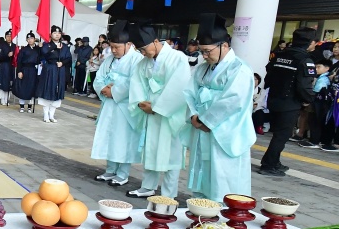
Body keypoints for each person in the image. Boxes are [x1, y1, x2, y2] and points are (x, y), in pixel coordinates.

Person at [182, 14, 256, 200]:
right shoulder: (202, 68)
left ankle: (223, 217)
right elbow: (189, 93)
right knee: (202, 172)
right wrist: (194, 115)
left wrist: (207, 121)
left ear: (224, 45)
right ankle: (200, 209)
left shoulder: (239, 69)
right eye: (202, 51)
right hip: (202, 126)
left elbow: (233, 101)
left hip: (225, 131)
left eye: (207, 51)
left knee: (223, 177)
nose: (204, 56)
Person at [125, 22, 191, 198]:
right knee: (151, 148)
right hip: (149, 111)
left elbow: (180, 87)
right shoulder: (143, 62)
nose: (143, 53)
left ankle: (169, 193)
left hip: (170, 114)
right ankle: (148, 186)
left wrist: (157, 107)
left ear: (155, 41)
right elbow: (137, 83)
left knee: (172, 153)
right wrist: (140, 103)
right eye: (140, 50)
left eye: (144, 49)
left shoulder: (178, 58)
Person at [90, 22, 143, 188]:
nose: (113, 51)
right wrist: (103, 88)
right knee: (109, 136)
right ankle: (110, 169)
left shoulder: (137, 60)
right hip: (109, 105)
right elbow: (99, 77)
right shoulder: (110, 60)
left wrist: (115, 91)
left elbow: (135, 83)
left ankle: (122, 173)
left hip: (125, 107)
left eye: (116, 47)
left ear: (128, 45)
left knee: (124, 139)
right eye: (111, 47)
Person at [259, 27, 317, 176]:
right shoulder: (305, 60)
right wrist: (308, 100)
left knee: (277, 133)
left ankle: (274, 161)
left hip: (273, 100)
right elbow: (304, 86)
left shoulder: (279, 55)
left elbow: (268, 77)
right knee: (282, 135)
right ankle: (268, 165)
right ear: (310, 43)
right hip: (290, 103)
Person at [37, 26, 73, 123]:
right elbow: (43, 53)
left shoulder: (65, 46)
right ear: (51, 34)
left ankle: (52, 115)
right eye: (55, 33)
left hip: (60, 70)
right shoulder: (47, 45)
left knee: (57, 91)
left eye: (59, 33)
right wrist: (54, 47)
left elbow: (69, 58)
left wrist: (63, 63)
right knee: (48, 90)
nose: (57, 35)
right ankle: (45, 114)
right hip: (49, 69)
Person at [306, 59, 337, 151]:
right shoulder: (323, 77)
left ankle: (314, 141)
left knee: (315, 120)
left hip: (320, 102)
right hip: (321, 102)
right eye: (315, 67)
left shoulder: (324, 79)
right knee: (314, 120)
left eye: (318, 67)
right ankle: (314, 140)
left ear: (327, 68)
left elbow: (317, 90)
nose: (316, 69)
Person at [13, 32, 40, 113]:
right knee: (23, 88)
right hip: (24, 69)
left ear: (34, 39)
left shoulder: (38, 49)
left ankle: (29, 106)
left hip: (33, 70)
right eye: (28, 39)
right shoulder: (24, 50)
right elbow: (19, 61)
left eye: (31, 38)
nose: (30, 40)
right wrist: (19, 71)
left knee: (32, 88)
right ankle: (22, 106)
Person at [0, 36, 15, 106]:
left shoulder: (14, 45)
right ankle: (2, 98)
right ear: (5, 37)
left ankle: (7, 98)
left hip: (11, 66)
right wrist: (7, 55)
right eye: (8, 36)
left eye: (10, 36)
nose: (9, 38)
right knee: (3, 82)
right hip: (4, 65)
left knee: (9, 83)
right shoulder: (2, 45)